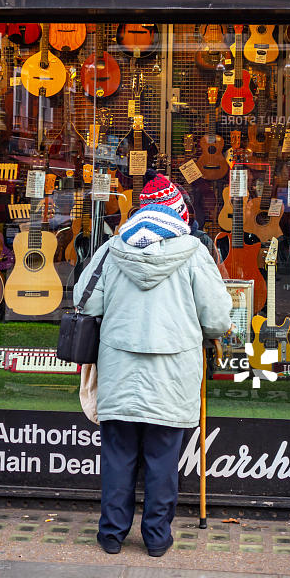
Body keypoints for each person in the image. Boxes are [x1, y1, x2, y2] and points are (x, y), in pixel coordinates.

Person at [73, 174, 232, 557]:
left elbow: (85, 302)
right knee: (162, 461)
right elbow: (217, 320)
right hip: (172, 377)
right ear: (178, 213)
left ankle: (111, 535)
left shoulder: (112, 249)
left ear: (141, 211)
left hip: (119, 374)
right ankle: (157, 539)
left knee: (117, 458)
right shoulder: (194, 252)